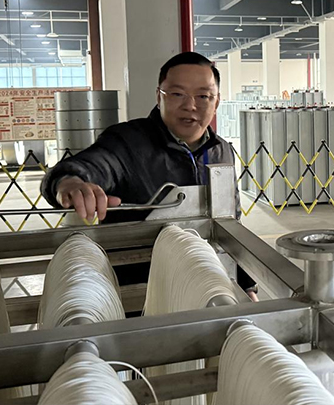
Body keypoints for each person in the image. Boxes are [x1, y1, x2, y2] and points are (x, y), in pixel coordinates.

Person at [41, 52, 254, 293]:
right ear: (158, 96)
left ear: (216, 102)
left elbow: (232, 222)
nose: (190, 105)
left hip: (207, 288)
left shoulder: (221, 150)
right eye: (177, 94)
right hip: (139, 295)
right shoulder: (127, 143)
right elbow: (92, 165)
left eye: (203, 96)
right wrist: (69, 182)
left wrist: (247, 285)